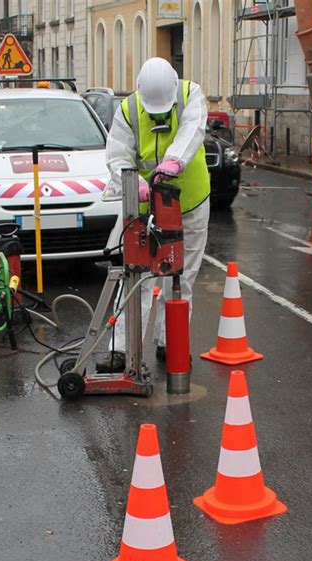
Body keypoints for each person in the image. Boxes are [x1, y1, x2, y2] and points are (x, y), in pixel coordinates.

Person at [97, 57, 211, 372]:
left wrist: (174, 161)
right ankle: (120, 349)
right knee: (136, 279)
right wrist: (133, 182)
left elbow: (192, 130)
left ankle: (171, 343)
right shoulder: (129, 110)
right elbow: (117, 153)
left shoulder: (190, 95)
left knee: (182, 278)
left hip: (188, 203)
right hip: (144, 204)